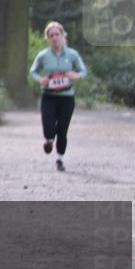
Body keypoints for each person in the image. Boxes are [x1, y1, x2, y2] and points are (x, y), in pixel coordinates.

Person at [29, 21, 88, 171]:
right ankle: (49, 140)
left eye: (57, 34)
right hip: (49, 96)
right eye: (51, 35)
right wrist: (40, 79)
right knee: (49, 128)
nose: (54, 38)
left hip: (67, 97)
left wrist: (76, 76)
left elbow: (83, 72)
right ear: (47, 38)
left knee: (62, 129)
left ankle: (60, 159)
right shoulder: (43, 55)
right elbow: (33, 71)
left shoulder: (72, 54)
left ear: (63, 36)